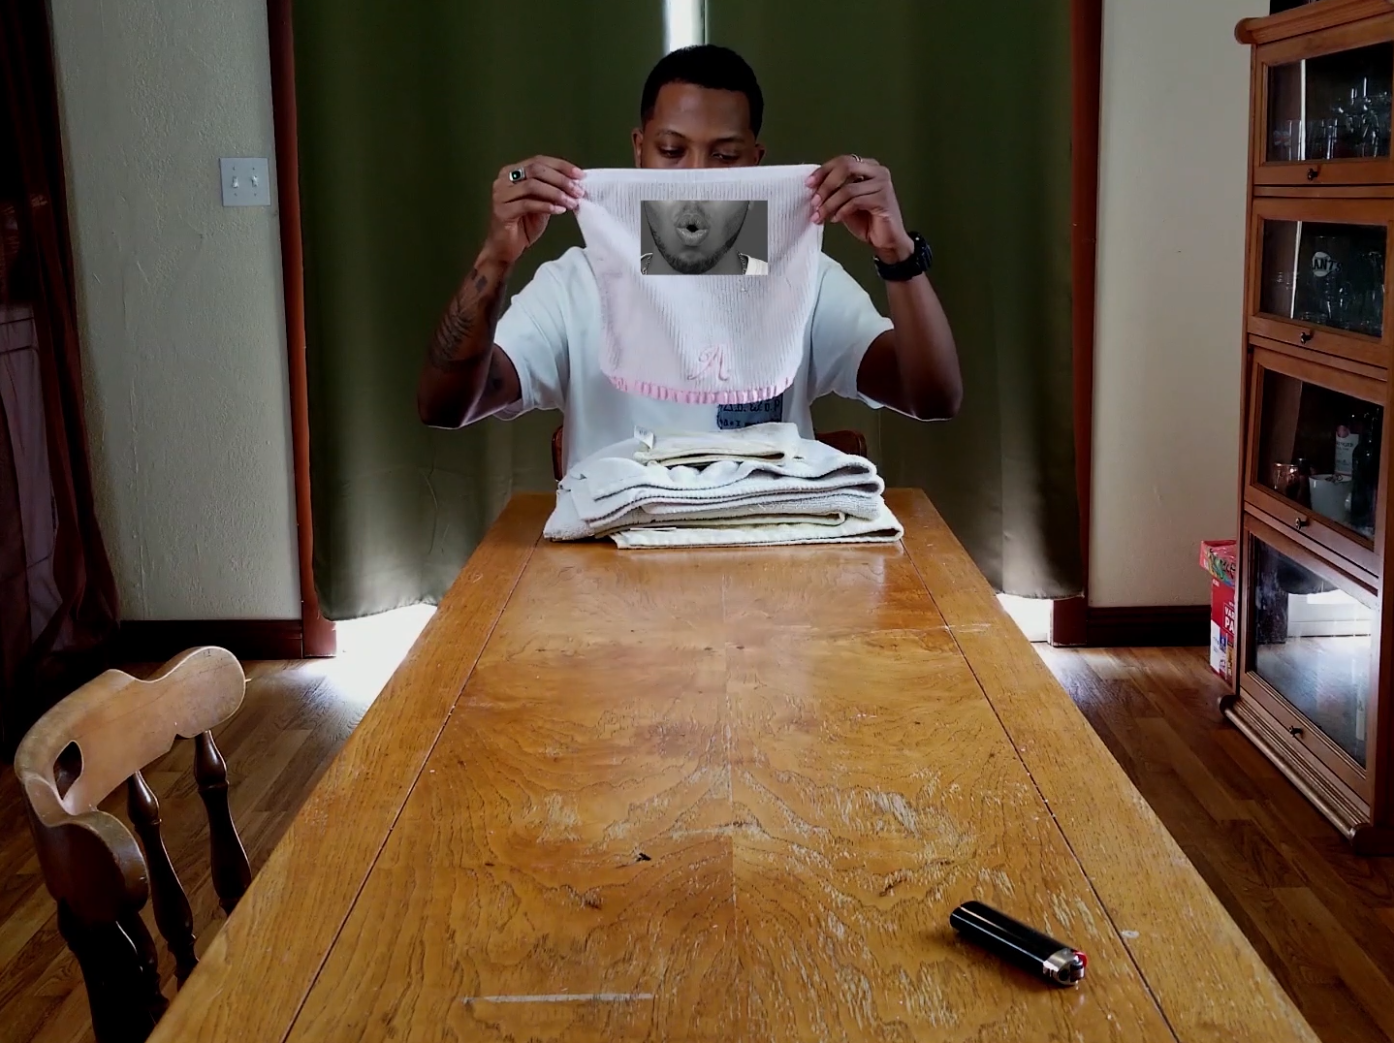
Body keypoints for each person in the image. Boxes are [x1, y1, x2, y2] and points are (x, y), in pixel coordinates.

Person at [418, 44, 961, 467]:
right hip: (615, 574)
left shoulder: (801, 277)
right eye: (672, 151)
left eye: (725, 155)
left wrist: (897, 252)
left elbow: (932, 397)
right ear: (638, 149)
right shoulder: (578, 283)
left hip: (765, 564)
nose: (697, 176)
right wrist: (497, 255)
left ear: (757, 160)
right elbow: (444, 408)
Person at [641, 199, 767, 275]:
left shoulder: (783, 291)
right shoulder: (621, 290)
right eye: (671, 153)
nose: (693, 200)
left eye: (726, 158)